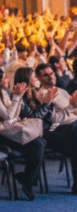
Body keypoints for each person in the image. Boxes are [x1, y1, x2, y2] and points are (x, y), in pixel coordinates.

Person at [0, 69, 46, 201]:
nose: (8, 80)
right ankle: (28, 180)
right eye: (4, 78)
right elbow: (8, 116)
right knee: (37, 144)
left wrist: (19, 97)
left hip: (5, 129)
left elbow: (14, 115)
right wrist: (16, 97)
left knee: (41, 141)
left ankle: (27, 178)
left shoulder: (3, 93)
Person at [26, 65, 77, 194]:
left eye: (52, 73)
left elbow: (72, 111)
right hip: (60, 128)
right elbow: (54, 120)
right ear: (38, 78)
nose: (51, 76)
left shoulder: (62, 91)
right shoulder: (42, 95)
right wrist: (71, 107)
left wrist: (74, 107)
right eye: (46, 75)